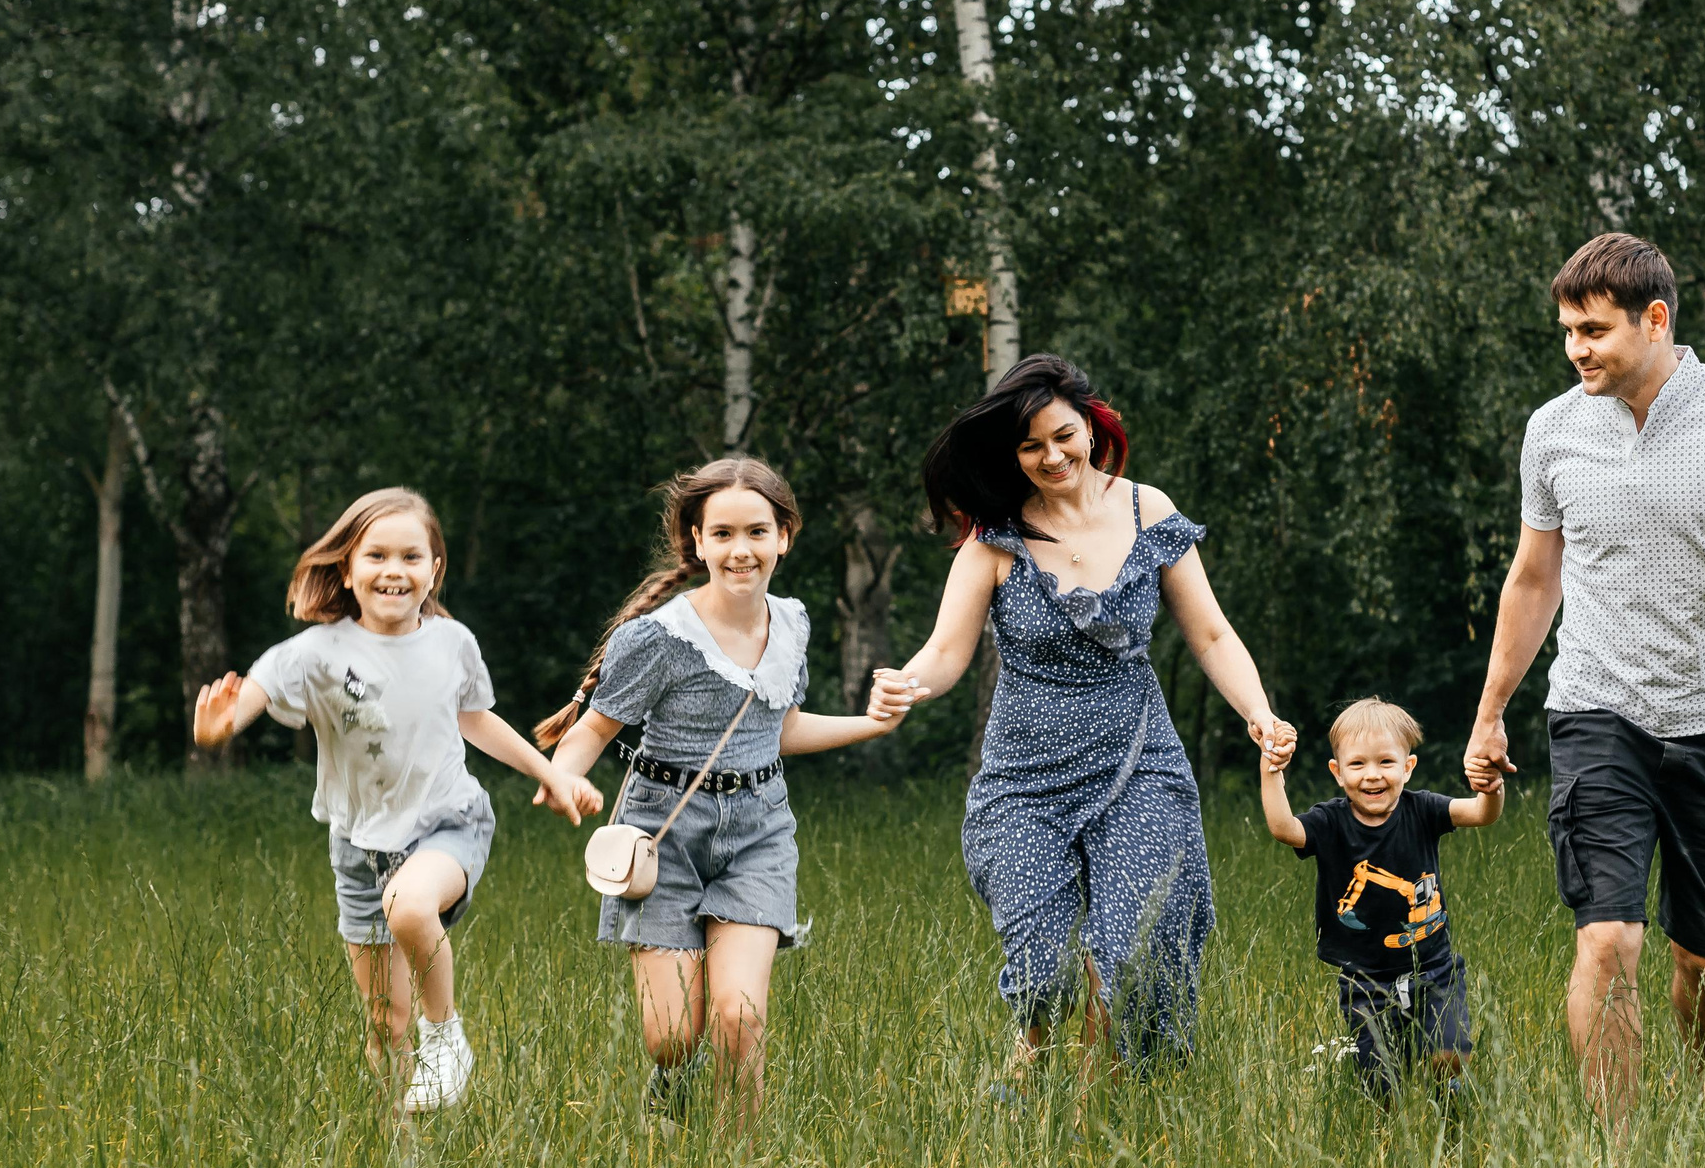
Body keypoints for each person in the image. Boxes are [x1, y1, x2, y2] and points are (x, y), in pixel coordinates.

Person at [1464, 234, 1705, 1126]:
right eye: (1566, 329)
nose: (1576, 348)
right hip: (1598, 707)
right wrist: (1491, 712)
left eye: (1593, 329)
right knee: (1607, 937)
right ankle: (1620, 1160)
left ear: (1655, 319)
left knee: (1703, 957)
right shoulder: (1554, 429)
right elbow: (1534, 579)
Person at [866, 354, 1284, 1078]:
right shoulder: (994, 538)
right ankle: (1030, 1084)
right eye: (1031, 446)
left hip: (1138, 760)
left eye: (1063, 435)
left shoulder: (1146, 509)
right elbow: (943, 651)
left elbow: (1211, 634)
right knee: (1044, 973)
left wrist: (1258, 710)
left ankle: (1099, 1118)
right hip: (1026, 779)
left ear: (1091, 425)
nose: (1052, 456)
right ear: (1012, 454)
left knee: (1133, 949)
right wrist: (904, 685)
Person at [193, 487, 603, 1112]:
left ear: (435, 568)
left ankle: (449, 1042)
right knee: (386, 1028)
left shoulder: (452, 642)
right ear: (348, 570)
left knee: (410, 904)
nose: (393, 570)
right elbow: (250, 696)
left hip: (448, 822)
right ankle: (401, 1160)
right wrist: (218, 726)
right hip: (357, 848)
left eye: (411, 556)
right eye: (376, 556)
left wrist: (547, 772)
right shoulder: (315, 653)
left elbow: (476, 719)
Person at [539, 459, 904, 1123]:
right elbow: (592, 728)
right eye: (725, 533)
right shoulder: (658, 638)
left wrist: (870, 724)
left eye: (758, 531)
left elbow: (780, 727)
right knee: (673, 1038)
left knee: (738, 1018)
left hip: (759, 829)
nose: (742, 549)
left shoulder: (792, 623)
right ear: (697, 541)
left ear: (785, 535)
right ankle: (671, 1087)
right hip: (663, 835)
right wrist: (566, 775)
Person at [1260, 698, 1503, 1102]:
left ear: (1407, 767)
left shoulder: (1422, 809)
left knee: (1448, 1053)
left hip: (1434, 968)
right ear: (1337, 773)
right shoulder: (1330, 821)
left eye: (1386, 763)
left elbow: (1482, 814)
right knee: (1381, 1085)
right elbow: (1284, 828)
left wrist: (1491, 788)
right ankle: (1390, 1138)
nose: (1372, 776)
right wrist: (1273, 772)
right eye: (1357, 765)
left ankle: (1452, 1106)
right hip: (1364, 979)